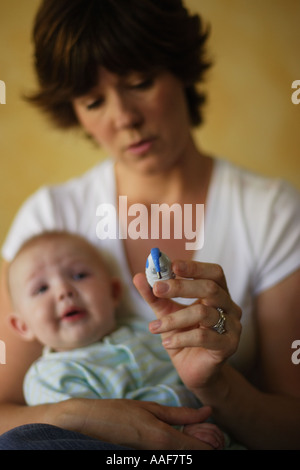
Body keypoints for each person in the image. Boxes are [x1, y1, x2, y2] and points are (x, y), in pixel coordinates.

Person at [0, 0, 299, 450]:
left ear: (181, 70)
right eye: (93, 100)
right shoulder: (49, 219)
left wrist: (216, 386)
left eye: (140, 82)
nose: (124, 117)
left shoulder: (272, 214)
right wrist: (86, 418)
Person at [6, 230, 225, 450]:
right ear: (22, 326)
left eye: (79, 275)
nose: (64, 291)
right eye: (41, 288)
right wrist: (179, 432)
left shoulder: (150, 331)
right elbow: (85, 436)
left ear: (114, 292)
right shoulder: (49, 376)